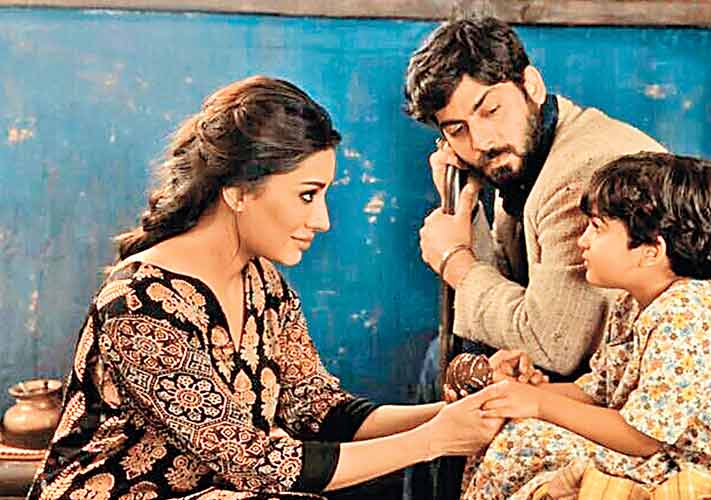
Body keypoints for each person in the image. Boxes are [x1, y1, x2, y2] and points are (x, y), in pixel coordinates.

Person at [26, 76, 504, 500]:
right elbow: (255, 463)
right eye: (307, 195)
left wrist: (456, 414)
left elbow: (322, 412)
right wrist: (434, 440)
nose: (322, 220)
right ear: (238, 191)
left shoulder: (264, 286)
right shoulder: (138, 305)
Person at [403, 16, 711, 477]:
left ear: (530, 85)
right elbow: (519, 296)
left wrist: (454, 262)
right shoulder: (523, 157)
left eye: (490, 110)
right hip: (636, 398)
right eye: (457, 129)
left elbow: (553, 344)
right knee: (461, 371)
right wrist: (462, 201)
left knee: (467, 381)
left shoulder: (585, 170)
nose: (481, 141)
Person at [460, 152, 711, 499]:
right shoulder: (631, 303)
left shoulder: (688, 316)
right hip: (660, 450)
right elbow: (598, 392)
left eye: (597, 227)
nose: (582, 240)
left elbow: (643, 437)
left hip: (695, 469)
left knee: (524, 442)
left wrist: (539, 404)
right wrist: (513, 394)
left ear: (650, 250)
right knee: (509, 428)